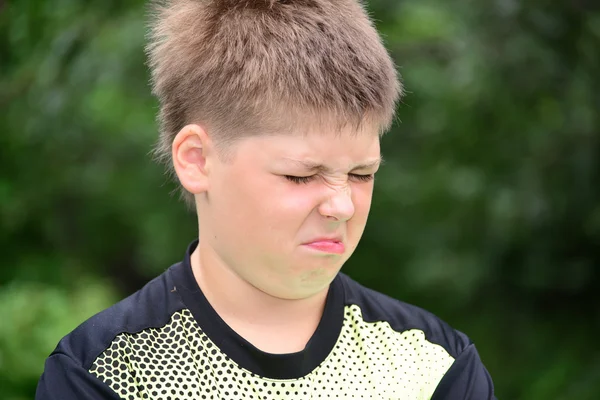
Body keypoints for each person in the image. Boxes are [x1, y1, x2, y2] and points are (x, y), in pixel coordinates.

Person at [36, 0, 497, 399]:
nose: (342, 206)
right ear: (197, 160)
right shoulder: (106, 373)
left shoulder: (433, 365)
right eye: (301, 175)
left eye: (362, 174)